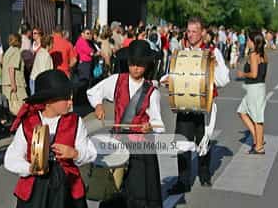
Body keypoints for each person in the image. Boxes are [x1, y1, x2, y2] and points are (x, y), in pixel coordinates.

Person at [87, 40, 164, 208]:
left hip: (141, 148)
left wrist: (150, 126)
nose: (135, 68)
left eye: (140, 64)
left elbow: (159, 123)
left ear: (147, 65)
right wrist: (98, 105)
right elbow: (93, 92)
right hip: (119, 142)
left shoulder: (152, 91)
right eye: (132, 64)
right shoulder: (116, 80)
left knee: (138, 191)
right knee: (115, 187)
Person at [4, 69, 97, 208]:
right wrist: (30, 168)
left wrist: (75, 154)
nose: (70, 102)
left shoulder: (75, 122)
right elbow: (11, 158)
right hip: (35, 189)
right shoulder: (29, 123)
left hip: (66, 187)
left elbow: (91, 152)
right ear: (48, 102)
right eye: (65, 98)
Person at [162, 17, 230, 194]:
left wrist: (213, 65)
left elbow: (224, 80)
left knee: (203, 142)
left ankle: (204, 174)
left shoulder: (213, 52)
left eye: (194, 31)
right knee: (182, 143)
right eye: (189, 31)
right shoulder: (181, 52)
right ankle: (183, 181)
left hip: (204, 105)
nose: (190, 35)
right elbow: (171, 74)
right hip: (185, 105)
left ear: (202, 33)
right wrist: (167, 81)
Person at [237, 31, 268, 155]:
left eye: (249, 40)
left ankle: (259, 146)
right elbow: (263, 74)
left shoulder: (253, 55)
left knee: (257, 118)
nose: (247, 42)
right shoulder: (264, 55)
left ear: (253, 42)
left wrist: (242, 74)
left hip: (254, 89)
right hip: (259, 88)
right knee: (242, 111)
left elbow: (254, 74)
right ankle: (257, 138)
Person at [2, 34, 27, 109]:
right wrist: (13, 84)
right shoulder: (16, 51)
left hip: (6, 83)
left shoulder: (8, 51)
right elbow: (11, 68)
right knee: (23, 106)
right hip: (16, 83)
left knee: (10, 106)